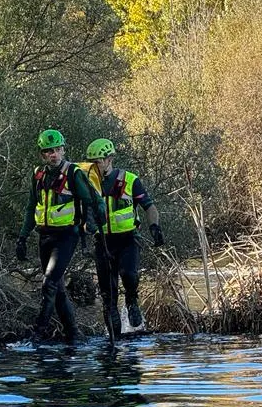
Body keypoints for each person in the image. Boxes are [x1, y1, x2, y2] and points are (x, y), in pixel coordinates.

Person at [16, 129, 105, 344]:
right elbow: (31, 207)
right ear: (42, 155)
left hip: (67, 236)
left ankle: (37, 334)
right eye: (48, 151)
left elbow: (92, 201)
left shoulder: (73, 173)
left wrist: (92, 226)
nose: (54, 154)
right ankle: (74, 335)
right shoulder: (38, 174)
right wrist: (22, 237)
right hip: (45, 236)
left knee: (49, 283)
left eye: (57, 150)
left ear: (63, 150)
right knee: (58, 290)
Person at [83, 138, 164, 338]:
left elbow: (149, 207)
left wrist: (154, 227)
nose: (95, 166)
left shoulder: (129, 180)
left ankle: (131, 300)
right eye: (91, 162)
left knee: (129, 275)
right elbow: (81, 211)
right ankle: (114, 339)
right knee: (107, 293)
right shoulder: (86, 183)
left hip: (128, 240)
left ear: (110, 159)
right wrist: (86, 226)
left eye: (99, 161)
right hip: (103, 242)